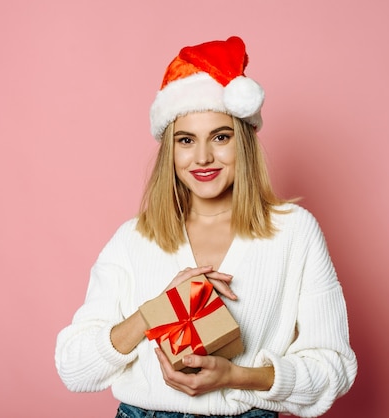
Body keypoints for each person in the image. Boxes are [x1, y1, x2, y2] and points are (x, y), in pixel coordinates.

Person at [55, 36, 357, 418]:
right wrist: (155, 312)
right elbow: (74, 367)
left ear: (243, 142)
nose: (203, 157)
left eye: (220, 136)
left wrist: (237, 375)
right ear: (170, 151)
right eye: (186, 140)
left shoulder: (295, 233)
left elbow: (334, 368)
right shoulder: (133, 240)